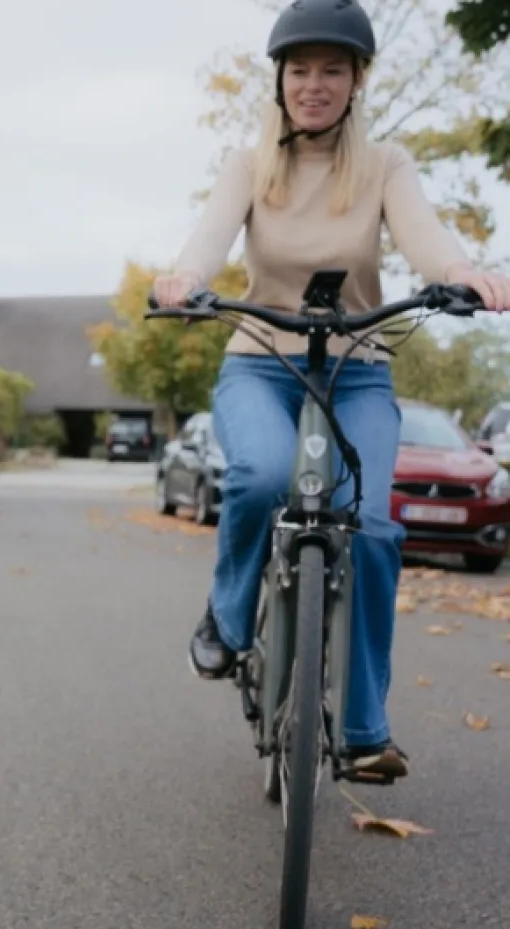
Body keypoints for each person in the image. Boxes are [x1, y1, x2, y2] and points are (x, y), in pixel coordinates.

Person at [152, 0, 510, 781]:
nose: (315, 84)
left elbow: (426, 238)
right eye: (301, 69)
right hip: (261, 363)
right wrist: (185, 279)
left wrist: (462, 276)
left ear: (356, 82)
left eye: (333, 70)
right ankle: (230, 617)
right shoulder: (249, 165)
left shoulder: (385, 164)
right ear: (279, 80)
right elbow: (209, 238)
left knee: (375, 525)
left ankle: (362, 731)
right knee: (258, 474)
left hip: (358, 370)